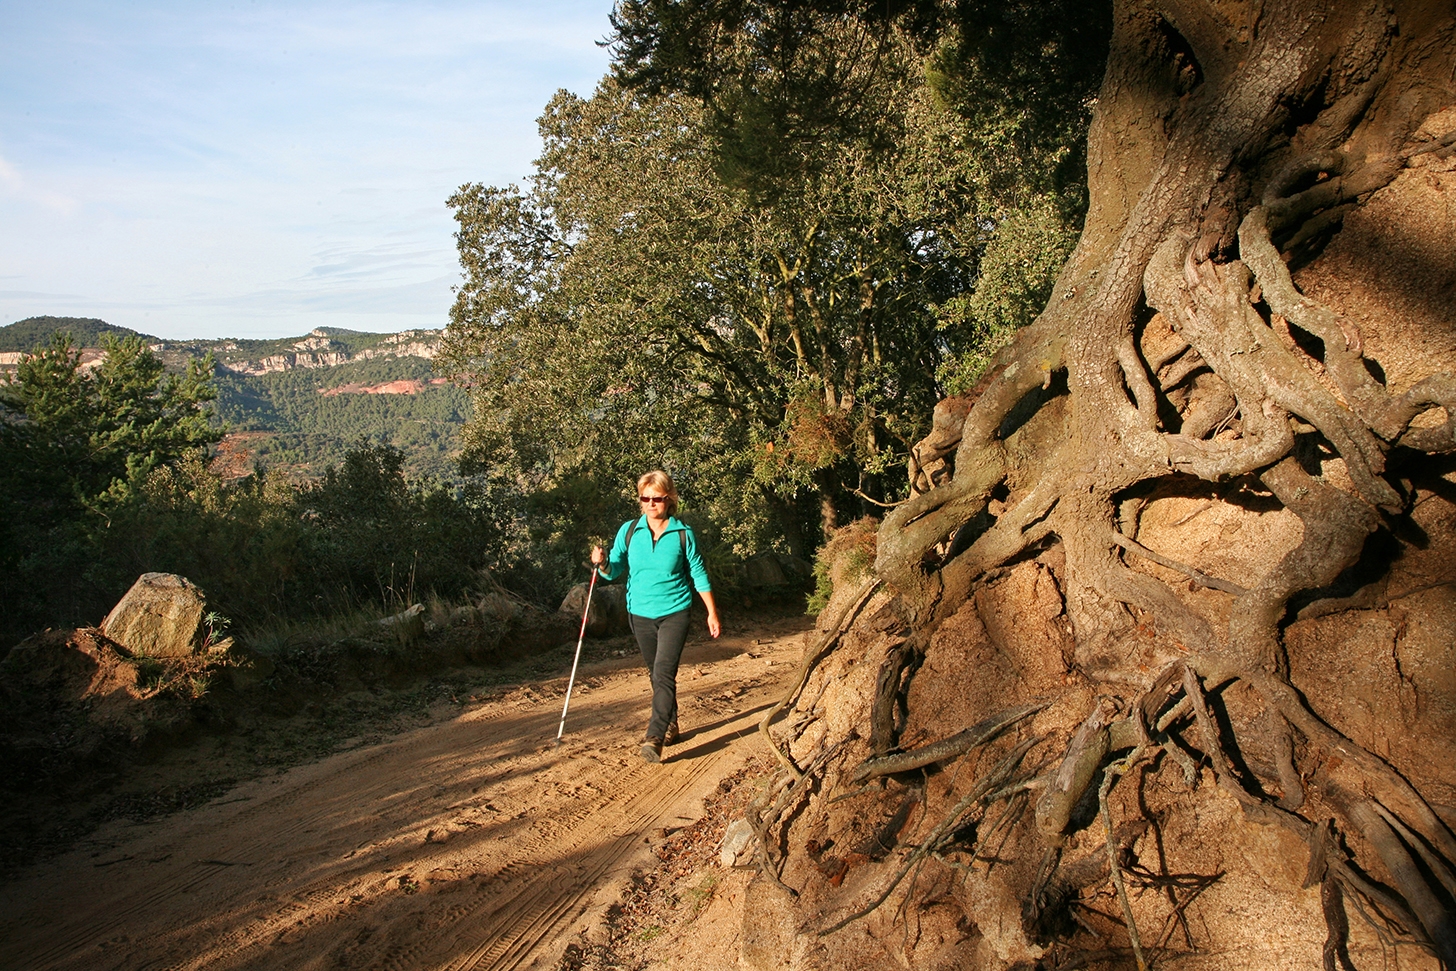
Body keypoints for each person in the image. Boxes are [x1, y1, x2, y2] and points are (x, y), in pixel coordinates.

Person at [591, 470, 721, 762]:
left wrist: (711, 612)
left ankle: (655, 736)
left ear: (669, 499)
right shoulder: (629, 531)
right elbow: (615, 568)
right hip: (639, 614)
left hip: (675, 611)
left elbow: (698, 573)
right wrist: (601, 564)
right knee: (657, 674)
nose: (651, 504)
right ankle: (671, 722)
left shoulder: (683, 534)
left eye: (657, 498)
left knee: (663, 672)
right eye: (645, 498)